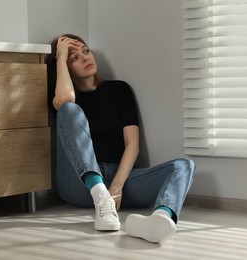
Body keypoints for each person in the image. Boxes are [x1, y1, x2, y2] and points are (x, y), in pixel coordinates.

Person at [45, 34, 196, 243]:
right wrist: (60, 57)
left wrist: (116, 188)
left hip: (120, 179)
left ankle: (160, 219)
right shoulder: (62, 95)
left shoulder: (119, 90)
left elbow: (132, 145)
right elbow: (65, 100)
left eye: (86, 51)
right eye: (74, 58)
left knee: (183, 166)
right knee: (69, 109)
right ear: (64, 67)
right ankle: (99, 196)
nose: (85, 58)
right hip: (79, 186)